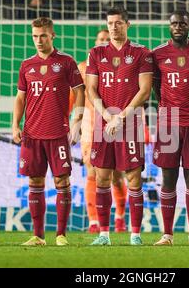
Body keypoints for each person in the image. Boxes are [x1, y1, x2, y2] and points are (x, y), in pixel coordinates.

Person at [12, 17, 85, 246]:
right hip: (32, 134)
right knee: (35, 182)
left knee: (62, 181)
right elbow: (20, 97)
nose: (38, 40)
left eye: (43, 35)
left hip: (58, 132)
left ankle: (61, 235)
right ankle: (38, 236)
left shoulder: (66, 62)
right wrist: (15, 124)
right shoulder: (27, 65)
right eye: (34, 36)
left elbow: (80, 92)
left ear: (52, 35)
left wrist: (77, 121)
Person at [85, 6, 153, 245]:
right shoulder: (95, 54)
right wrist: (106, 115)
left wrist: (120, 117)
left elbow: (144, 90)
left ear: (127, 25)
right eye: (110, 23)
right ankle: (104, 234)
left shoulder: (141, 53)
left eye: (118, 23)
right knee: (102, 178)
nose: (114, 27)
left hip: (131, 123)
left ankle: (135, 234)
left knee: (133, 179)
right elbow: (91, 89)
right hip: (103, 124)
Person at [151, 10, 189, 246]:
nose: (178, 27)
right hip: (168, 122)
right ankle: (167, 234)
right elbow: (156, 86)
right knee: (168, 178)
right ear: (169, 26)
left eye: (182, 24)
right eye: (174, 23)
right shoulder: (157, 54)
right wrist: (169, 106)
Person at [76, 29, 128, 234]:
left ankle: (119, 219)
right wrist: (74, 122)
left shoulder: (122, 65)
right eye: (101, 39)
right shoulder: (82, 68)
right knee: (92, 173)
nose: (104, 42)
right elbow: (75, 99)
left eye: (107, 39)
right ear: (95, 43)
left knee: (117, 176)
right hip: (91, 127)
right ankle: (93, 222)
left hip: (117, 123)